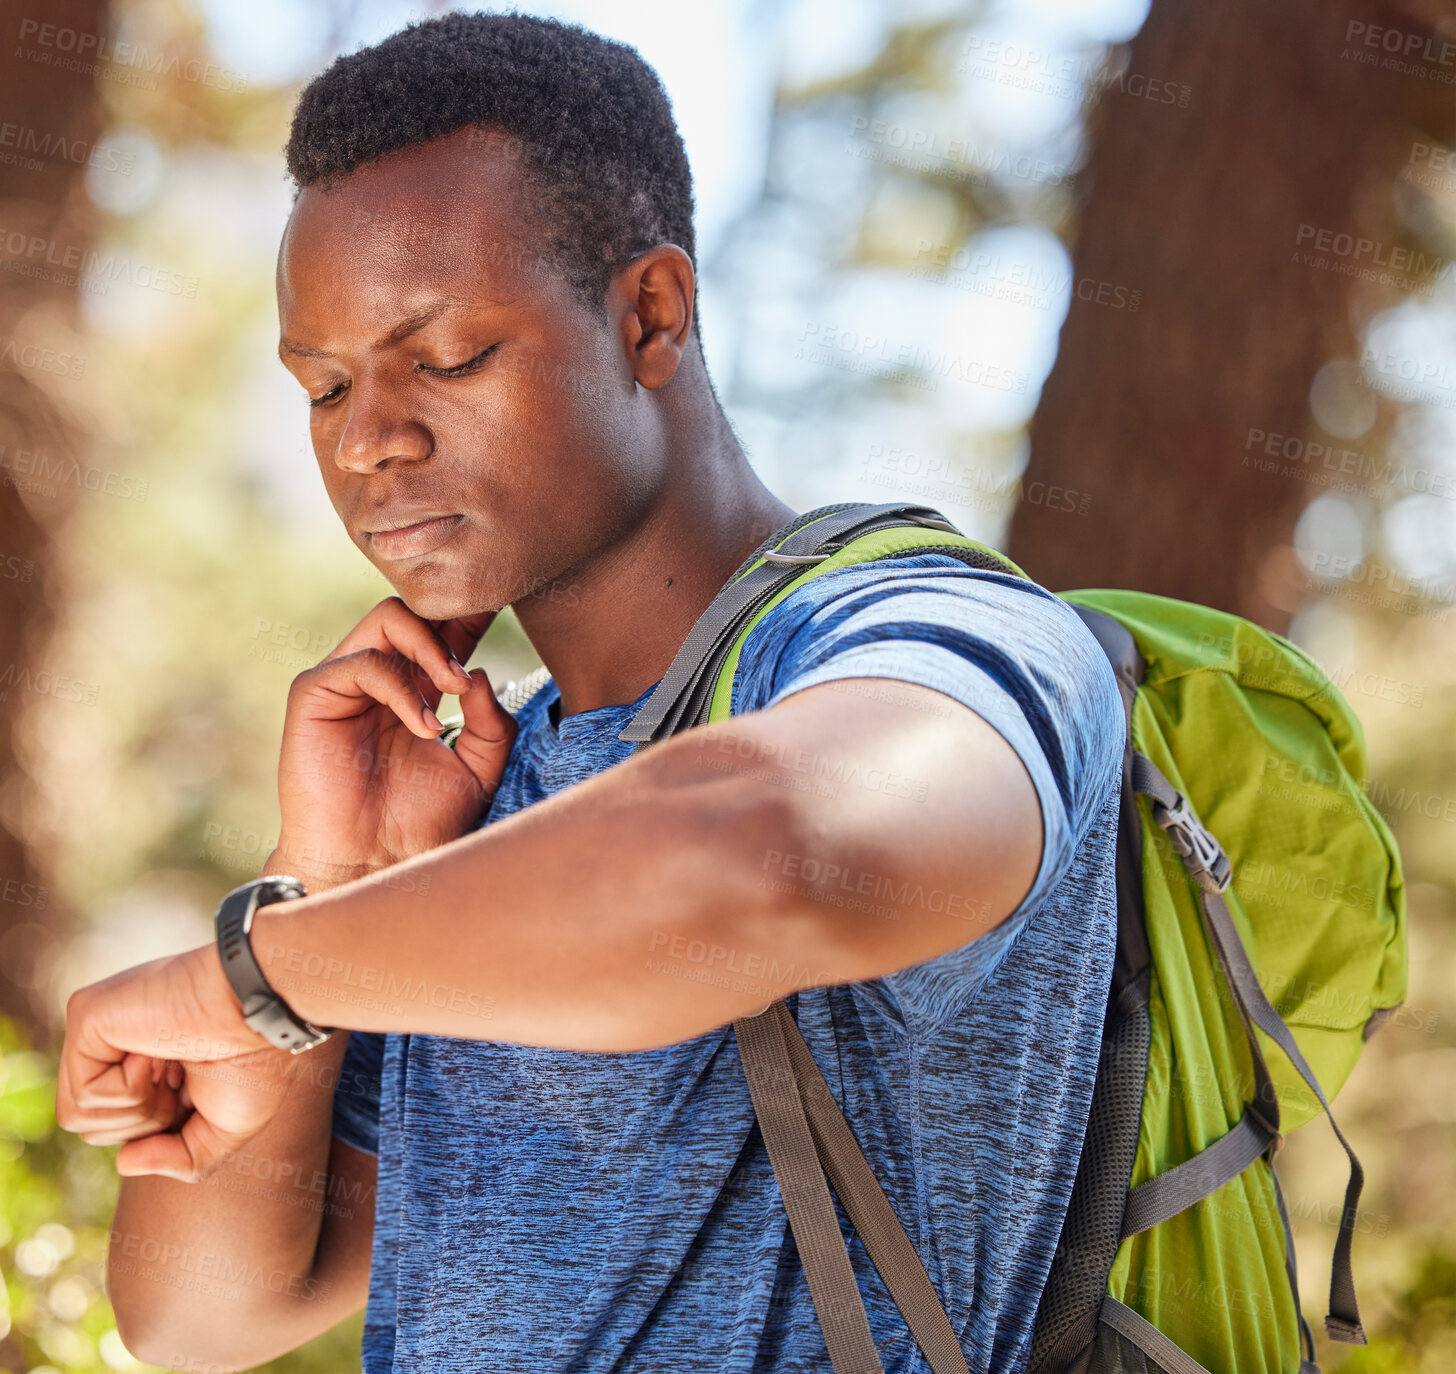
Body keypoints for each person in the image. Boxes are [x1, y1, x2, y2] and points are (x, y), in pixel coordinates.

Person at [56, 13, 1125, 1373]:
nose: (371, 438)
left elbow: (759, 858)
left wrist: (251, 976)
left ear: (651, 314)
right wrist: (318, 884)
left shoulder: (937, 641)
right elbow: (192, 1322)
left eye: (443, 358)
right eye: (324, 387)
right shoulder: (479, 814)